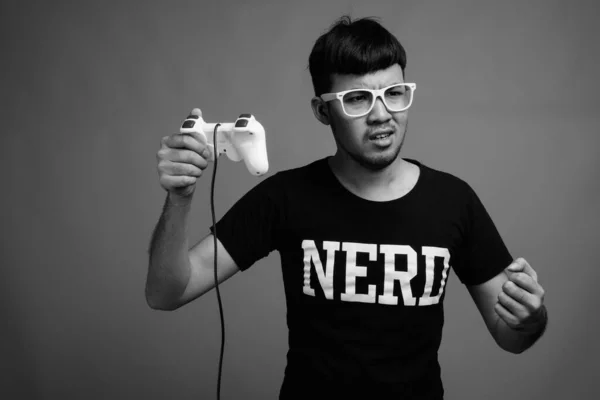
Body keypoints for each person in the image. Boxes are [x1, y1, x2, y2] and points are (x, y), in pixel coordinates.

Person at [146, 15, 548, 400]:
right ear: (323, 111)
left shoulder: (454, 201)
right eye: (357, 99)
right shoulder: (285, 197)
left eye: (394, 94)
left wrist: (531, 319)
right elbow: (167, 292)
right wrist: (179, 197)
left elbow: (510, 336)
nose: (381, 115)